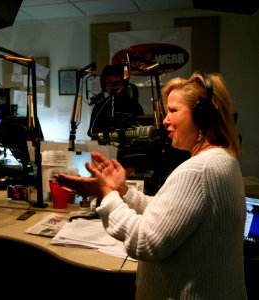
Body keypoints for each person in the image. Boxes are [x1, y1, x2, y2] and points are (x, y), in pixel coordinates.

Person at [55, 71, 247, 299]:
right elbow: (171, 212)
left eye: (173, 111)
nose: (165, 120)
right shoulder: (222, 159)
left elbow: (146, 242)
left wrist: (106, 195)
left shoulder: (198, 170)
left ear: (202, 116)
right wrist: (122, 191)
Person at [87, 64, 144, 139]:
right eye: (110, 83)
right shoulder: (99, 107)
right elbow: (92, 133)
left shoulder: (134, 107)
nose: (113, 87)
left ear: (124, 85)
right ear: (104, 85)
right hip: (104, 149)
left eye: (117, 83)